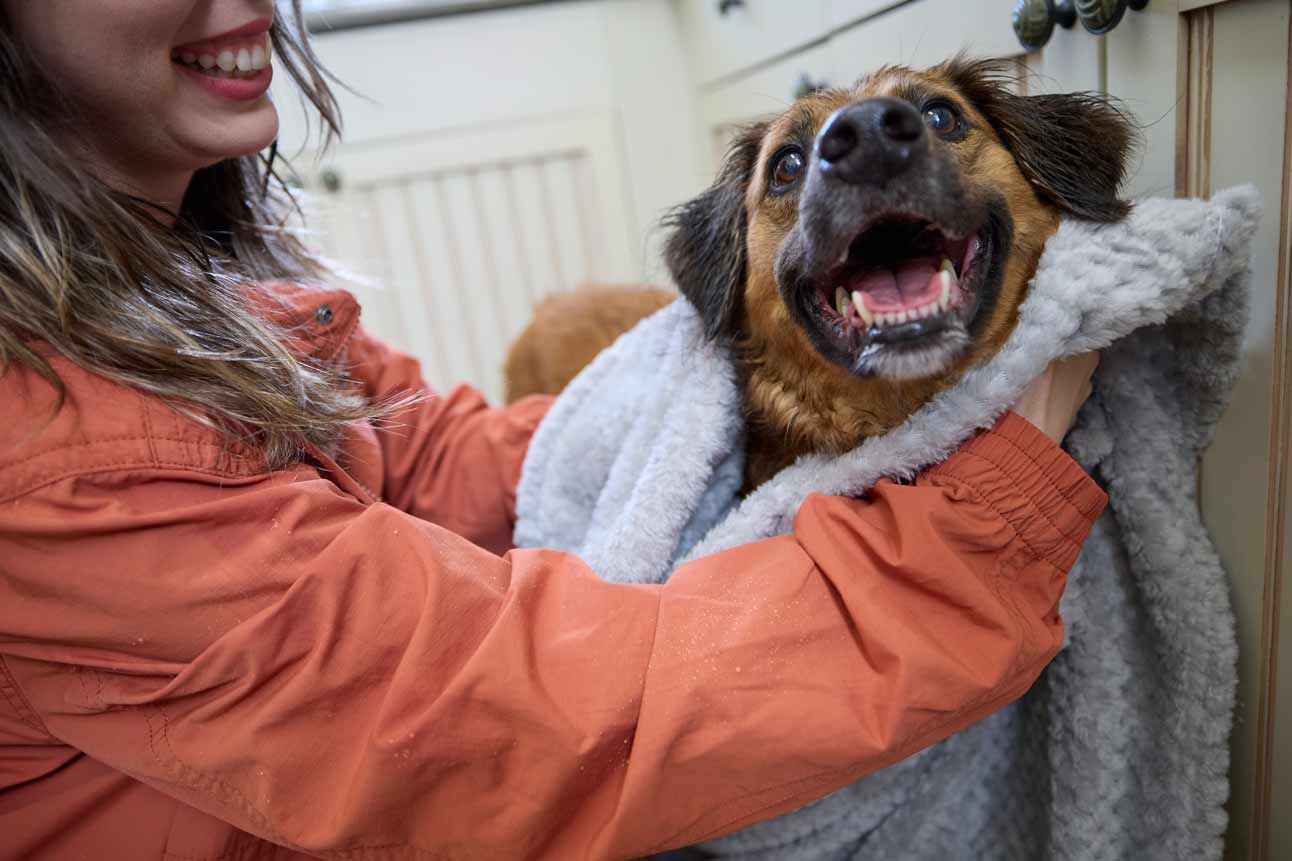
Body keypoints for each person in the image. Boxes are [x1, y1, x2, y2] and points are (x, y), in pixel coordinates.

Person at [0, 2, 1105, 859]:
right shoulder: (60, 447)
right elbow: (535, 717)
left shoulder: (186, 294)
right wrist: (982, 520)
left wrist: (677, 439)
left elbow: (426, 456)